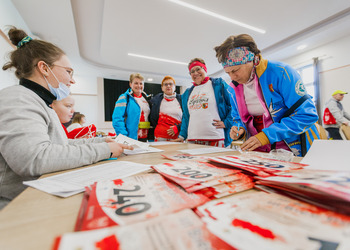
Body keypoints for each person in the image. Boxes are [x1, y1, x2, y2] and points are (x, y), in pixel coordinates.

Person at [0, 27, 132, 209]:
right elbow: (35, 158)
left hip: (39, 195)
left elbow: (59, 146)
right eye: (69, 71)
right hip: (16, 206)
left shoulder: (40, 102)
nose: (72, 80)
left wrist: (99, 143)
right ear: (44, 68)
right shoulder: (18, 98)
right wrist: (104, 150)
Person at [214, 34, 320, 156]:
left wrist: (266, 136)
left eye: (236, 70)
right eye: (228, 73)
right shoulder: (234, 89)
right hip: (258, 152)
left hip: (292, 149)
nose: (232, 77)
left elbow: (307, 115)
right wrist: (239, 129)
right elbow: (237, 118)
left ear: (252, 59)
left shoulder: (281, 73)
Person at [173, 58, 234, 147]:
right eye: (192, 71)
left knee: (214, 161)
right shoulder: (187, 93)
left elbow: (235, 105)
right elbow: (186, 117)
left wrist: (227, 122)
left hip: (215, 137)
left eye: (198, 69)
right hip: (193, 139)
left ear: (205, 69)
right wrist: (182, 136)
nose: (195, 73)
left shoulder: (218, 84)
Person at [112, 73, 152, 142]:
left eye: (141, 83)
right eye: (136, 83)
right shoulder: (124, 97)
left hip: (146, 138)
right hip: (130, 138)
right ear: (130, 84)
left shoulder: (147, 99)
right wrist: (123, 137)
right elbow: (117, 119)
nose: (139, 86)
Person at [150, 76, 182, 141]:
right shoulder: (157, 100)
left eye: (170, 84)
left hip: (177, 138)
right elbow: (153, 118)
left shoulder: (182, 99)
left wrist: (178, 128)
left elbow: (187, 118)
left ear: (175, 87)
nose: (168, 86)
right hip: (159, 138)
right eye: (165, 84)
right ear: (162, 88)